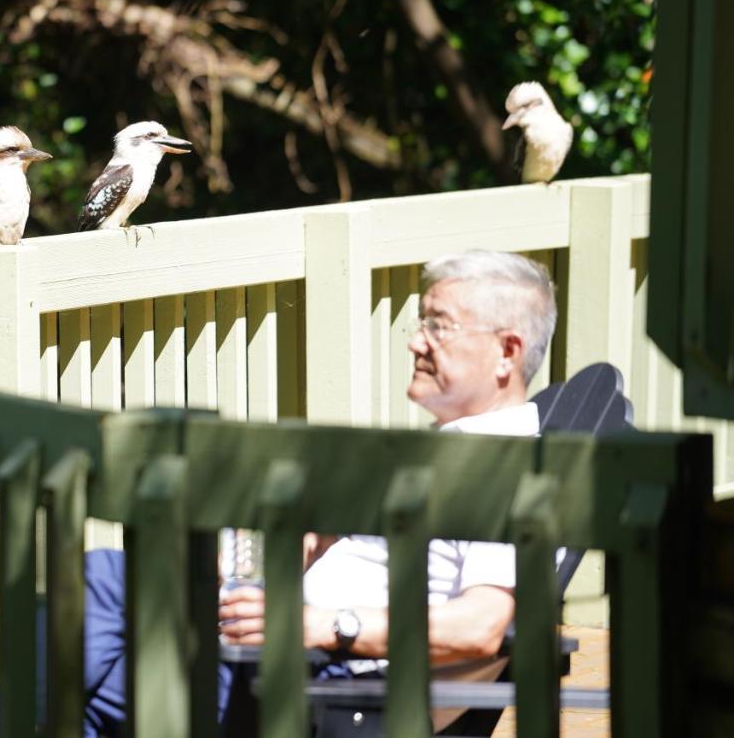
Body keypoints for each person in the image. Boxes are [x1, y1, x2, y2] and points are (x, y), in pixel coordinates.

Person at [81, 249, 559, 737]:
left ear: (507, 352)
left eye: (439, 326)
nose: (417, 342)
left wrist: (323, 624)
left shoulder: (507, 469)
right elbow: (323, 535)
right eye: (421, 324)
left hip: (330, 686)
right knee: (105, 610)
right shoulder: (444, 450)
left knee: (96, 628)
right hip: (274, 640)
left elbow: (480, 626)